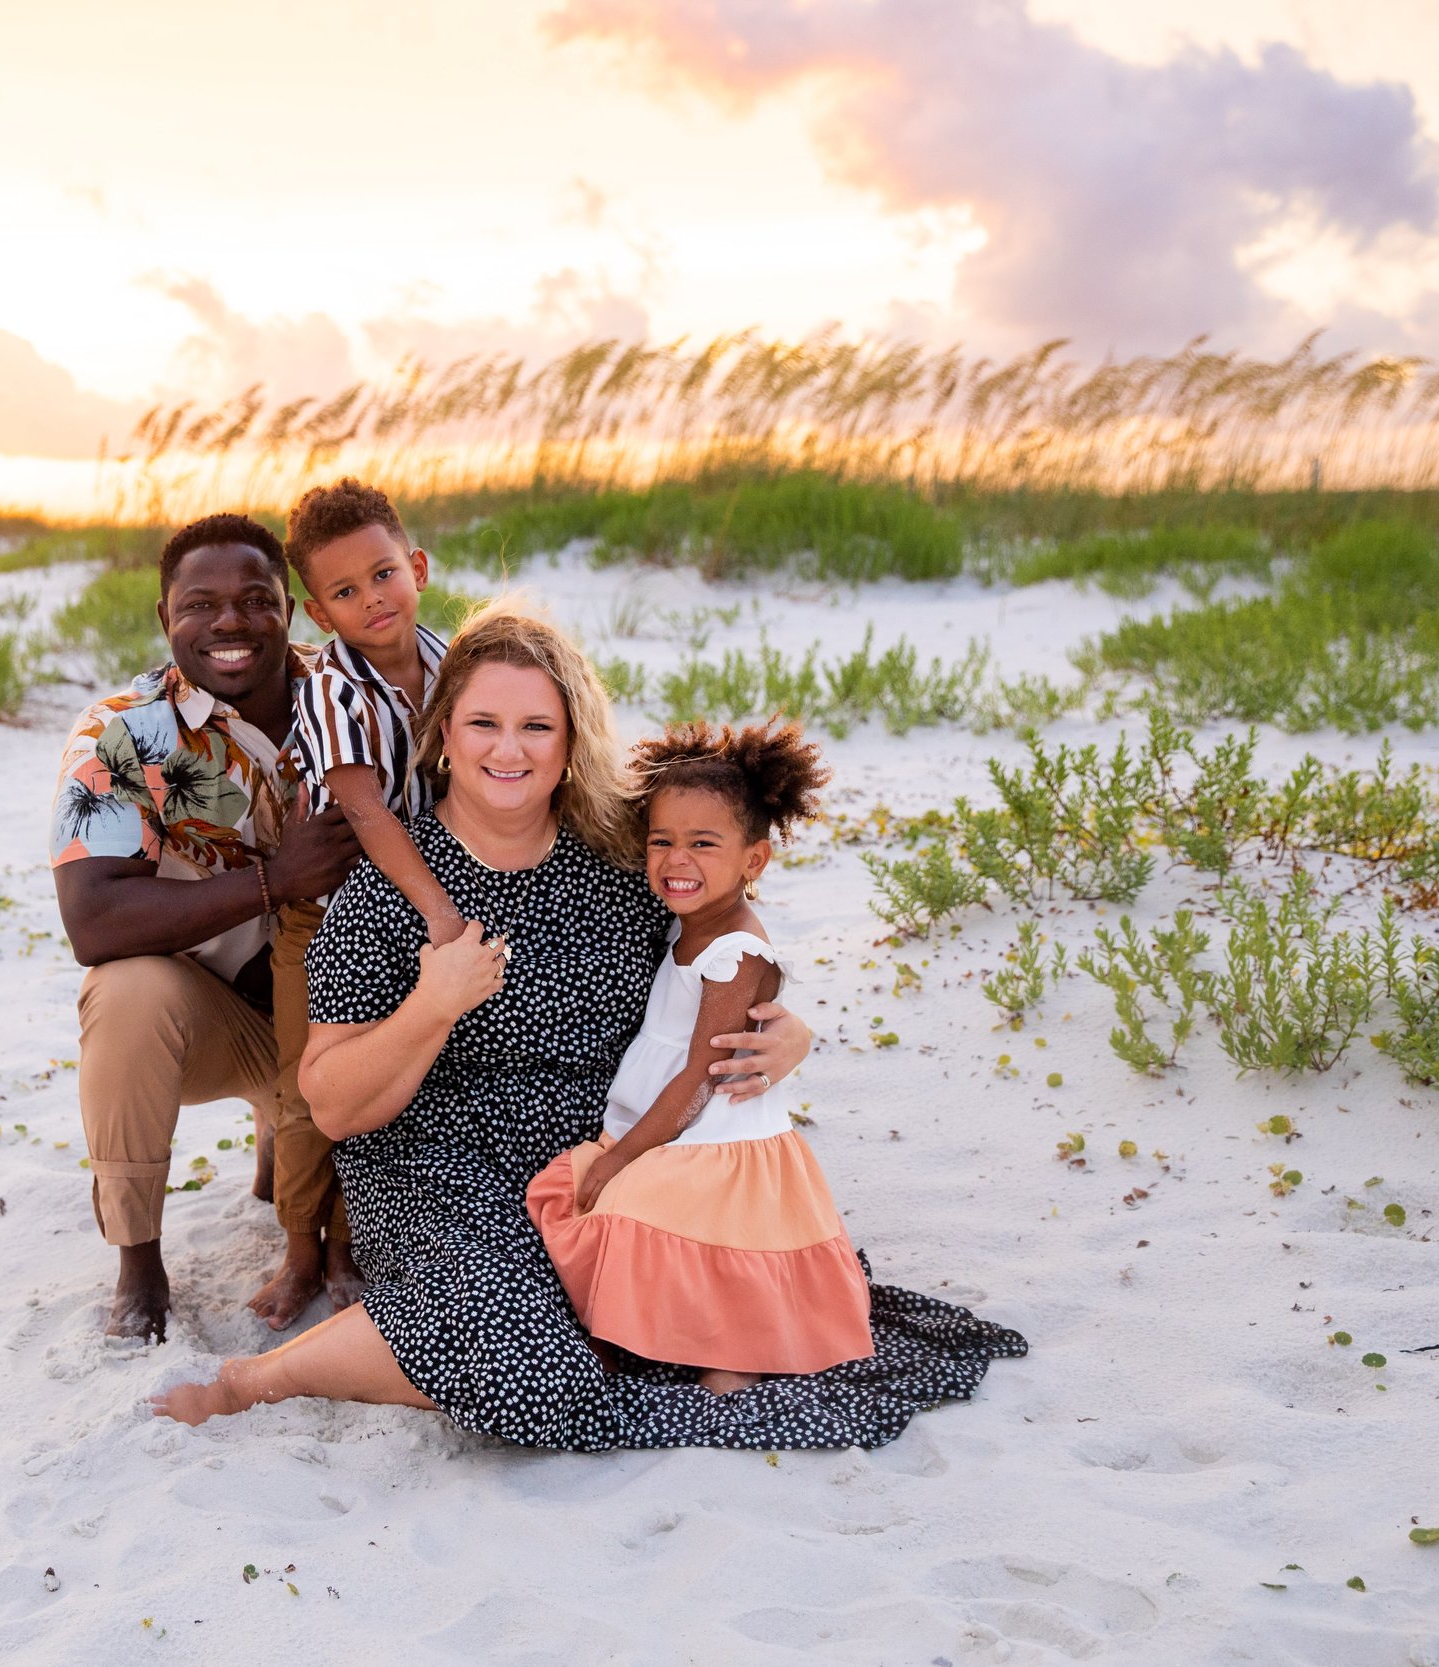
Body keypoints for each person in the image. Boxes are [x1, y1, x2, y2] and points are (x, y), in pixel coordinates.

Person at [155, 599, 1019, 1448]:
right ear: (444, 734)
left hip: (602, 1162)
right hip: (438, 1177)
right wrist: (435, 1003)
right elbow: (333, 1104)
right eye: (484, 722)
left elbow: (724, 958)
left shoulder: (623, 873)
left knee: (737, 1312)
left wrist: (790, 1029)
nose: (508, 748)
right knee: (538, 1367)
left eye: (537, 726)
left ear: (569, 744)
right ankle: (256, 1380)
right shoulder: (383, 895)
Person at [48, 513, 361, 1341]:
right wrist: (275, 879)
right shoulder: (123, 731)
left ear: (289, 608)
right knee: (126, 990)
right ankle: (139, 1260)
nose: (230, 622)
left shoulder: (352, 707)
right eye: (201, 605)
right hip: (218, 1022)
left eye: (256, 599)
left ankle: (288, 1144)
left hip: (349, 1023)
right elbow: (93, 918)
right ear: (164, 618)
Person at [526, 719, 874, 1397]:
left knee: (632, 1208)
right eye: (662, 841)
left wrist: (626, 1154)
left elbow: (698, 1077)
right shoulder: (691, 925)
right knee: (571, 1193)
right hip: (676, 1131)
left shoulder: (735, 952)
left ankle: (731, 1360)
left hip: (716, 1144)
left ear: (754, 860)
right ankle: (638, 1341)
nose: (676, 860)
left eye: (703, 844)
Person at [252, 478, 458, 1330]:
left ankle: (357, 1234)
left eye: (382, 575)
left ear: (415, 567)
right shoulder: (334, 691)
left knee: (400, 1072)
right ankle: (305, 1247)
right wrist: (442, 914)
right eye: (344, 591)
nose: (371, 599)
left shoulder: (452, 660)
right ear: (316, 611)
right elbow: (367, 811)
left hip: (414, 903)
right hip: (331, 916)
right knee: (313, 1089)